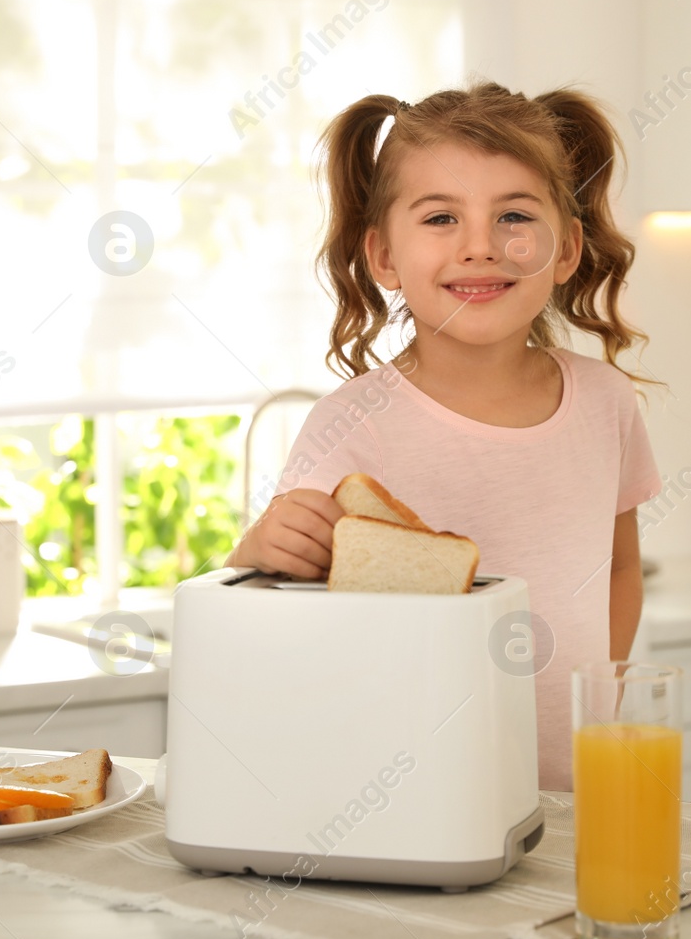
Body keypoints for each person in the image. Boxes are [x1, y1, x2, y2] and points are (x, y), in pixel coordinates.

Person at [226, 83, 663, 791]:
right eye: (440, 218)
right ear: (385, 256)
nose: (480, 246)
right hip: (406, 789)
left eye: (515, 215)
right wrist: (252, 554)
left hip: (569, 787)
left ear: (566, 249)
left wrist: (589, 708)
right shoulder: (348, 427)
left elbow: (618, 569)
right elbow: (278, 625)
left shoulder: (605, 403)